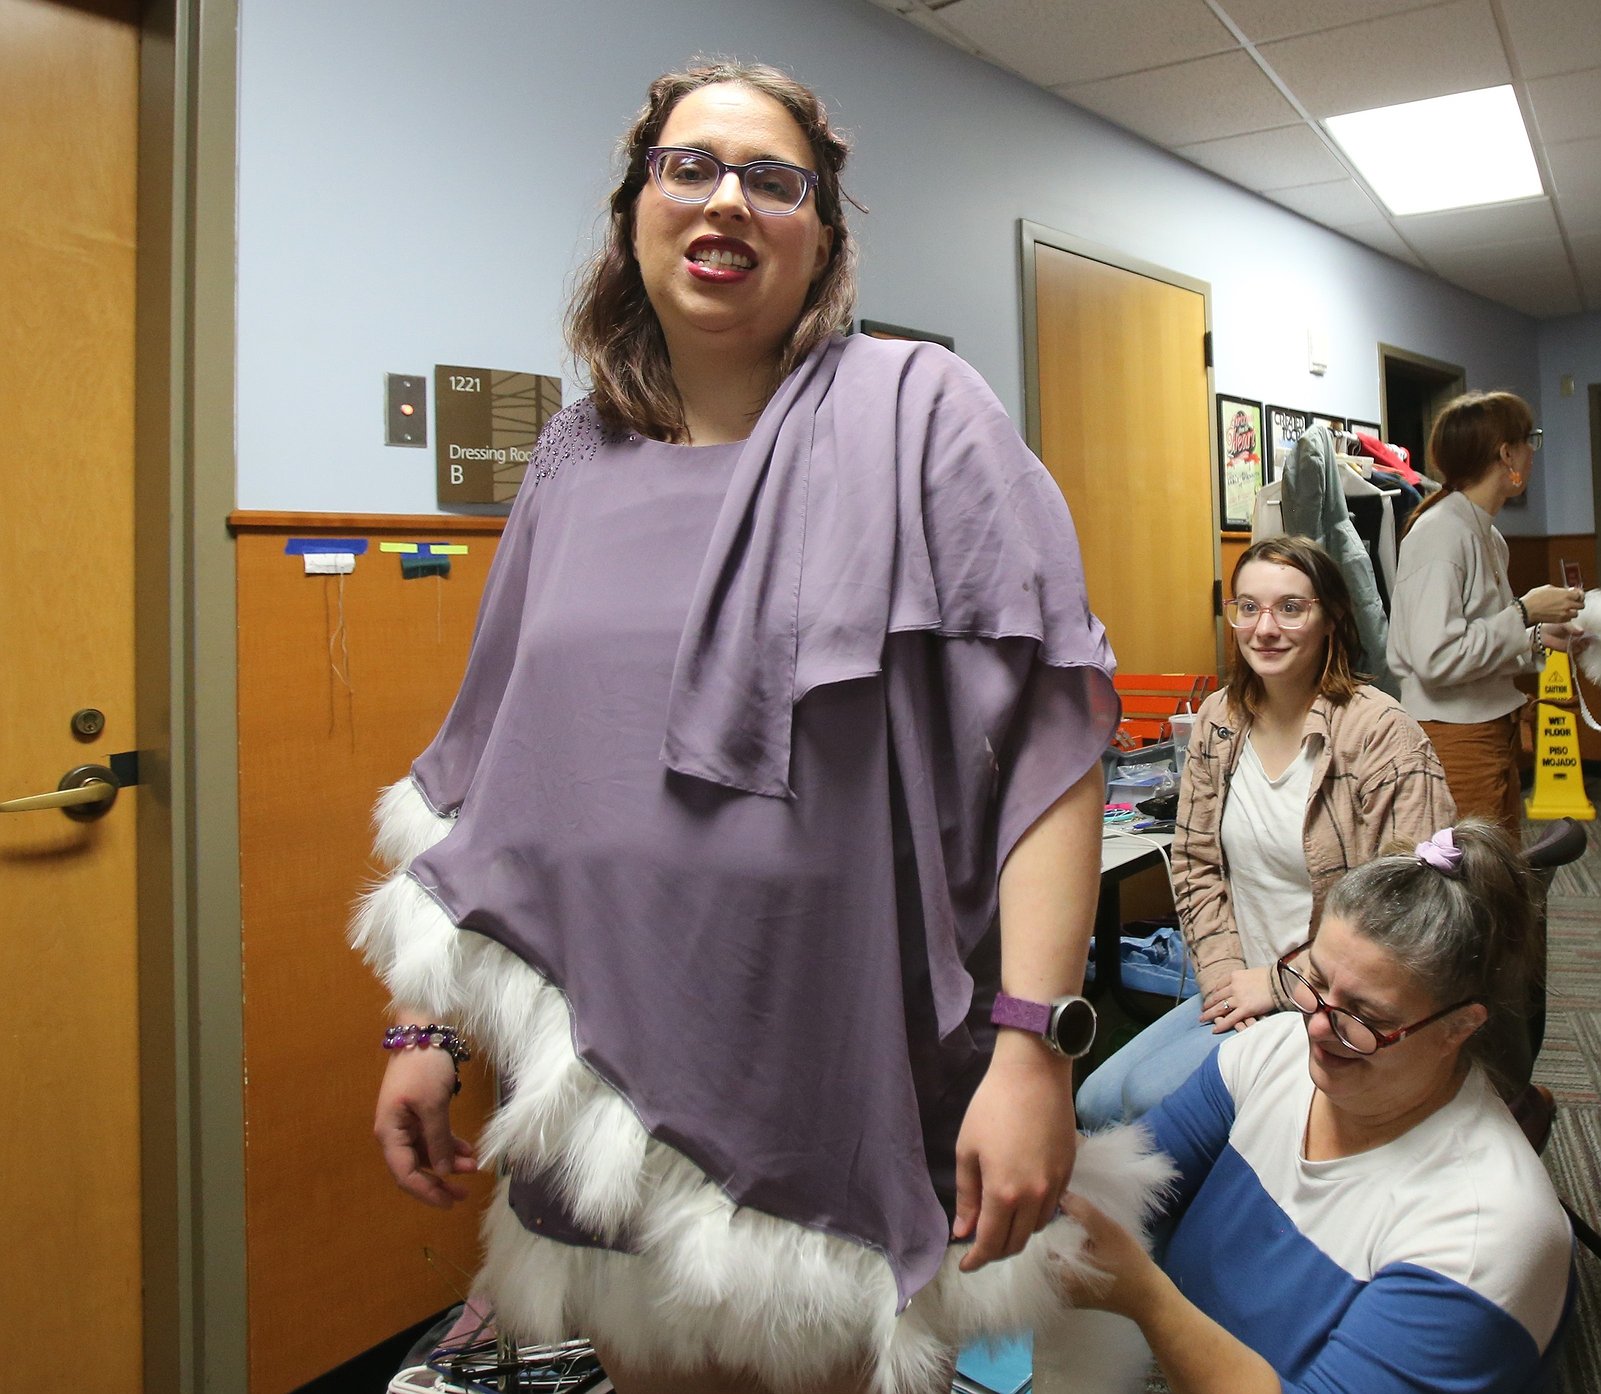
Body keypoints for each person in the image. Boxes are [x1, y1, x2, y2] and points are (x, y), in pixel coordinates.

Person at [351, 59, 1169, 1394]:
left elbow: (1046, 747)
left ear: (823, 239)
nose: (726, 200)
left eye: (771, 180)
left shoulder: (920, 412)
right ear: (635, 212)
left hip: (826, 1051)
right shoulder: (570, 458)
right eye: (688, 167)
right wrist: (427, 1024)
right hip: (598, 1059)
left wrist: (1031, 1044)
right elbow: (488, 768)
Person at [1058, 819, 1575, 1394]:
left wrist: (1147, 1298)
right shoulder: (1273, 1051)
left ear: (1460, 1027)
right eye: (1314, 981)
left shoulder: (1484, 1234)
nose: (1317, 1027)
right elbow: (1133, 1183)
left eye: (1364, 1017)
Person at [1076, 536, 1453, 1131]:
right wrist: (1225, 978)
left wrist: (1279, 986)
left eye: (1291, 608)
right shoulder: (1219, 720)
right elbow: (1195, 861)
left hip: (1336, 1001)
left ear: (1331, 618)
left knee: (1148, 1101)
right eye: (1248, 607)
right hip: (1242, 979)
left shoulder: (1382, 734)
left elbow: (1410, 909)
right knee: (1094, 1102)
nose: (1265, 628)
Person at [1387, 391, 1584, 834]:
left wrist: (1538, 636)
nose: (1532, 453)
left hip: (1490, 731)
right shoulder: (1440, 532)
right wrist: (1525, 612)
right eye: (1529, 440)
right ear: (1506, 453)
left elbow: (1476, 641)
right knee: (1470, 871)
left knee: (1497, 865)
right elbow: (1436, 658)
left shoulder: (1487, 535)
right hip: (1454, 738)